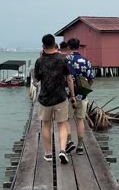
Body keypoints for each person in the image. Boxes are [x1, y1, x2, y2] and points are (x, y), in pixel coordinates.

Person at [34, 34, 76, 164]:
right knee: (62, 125)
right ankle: (62, 150)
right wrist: (73, 95)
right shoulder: (62, 59)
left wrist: (41, 58)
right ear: (54, 44)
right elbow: (69, 78)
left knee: (46, 126)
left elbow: (37, 79)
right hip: (60, 97)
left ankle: (48, 154)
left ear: (43, 46)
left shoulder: (40, 61)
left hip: (45, 99)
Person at [65, 38, 95, 155]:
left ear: (68, 47)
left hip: (67, 95)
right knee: (80, 120)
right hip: (82, 96)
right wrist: (85, 90)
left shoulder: (66, 60)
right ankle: (80, 146)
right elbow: (91, 78)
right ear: (79, 46)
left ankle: (69, 142)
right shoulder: (86, 61)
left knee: (66, 120)